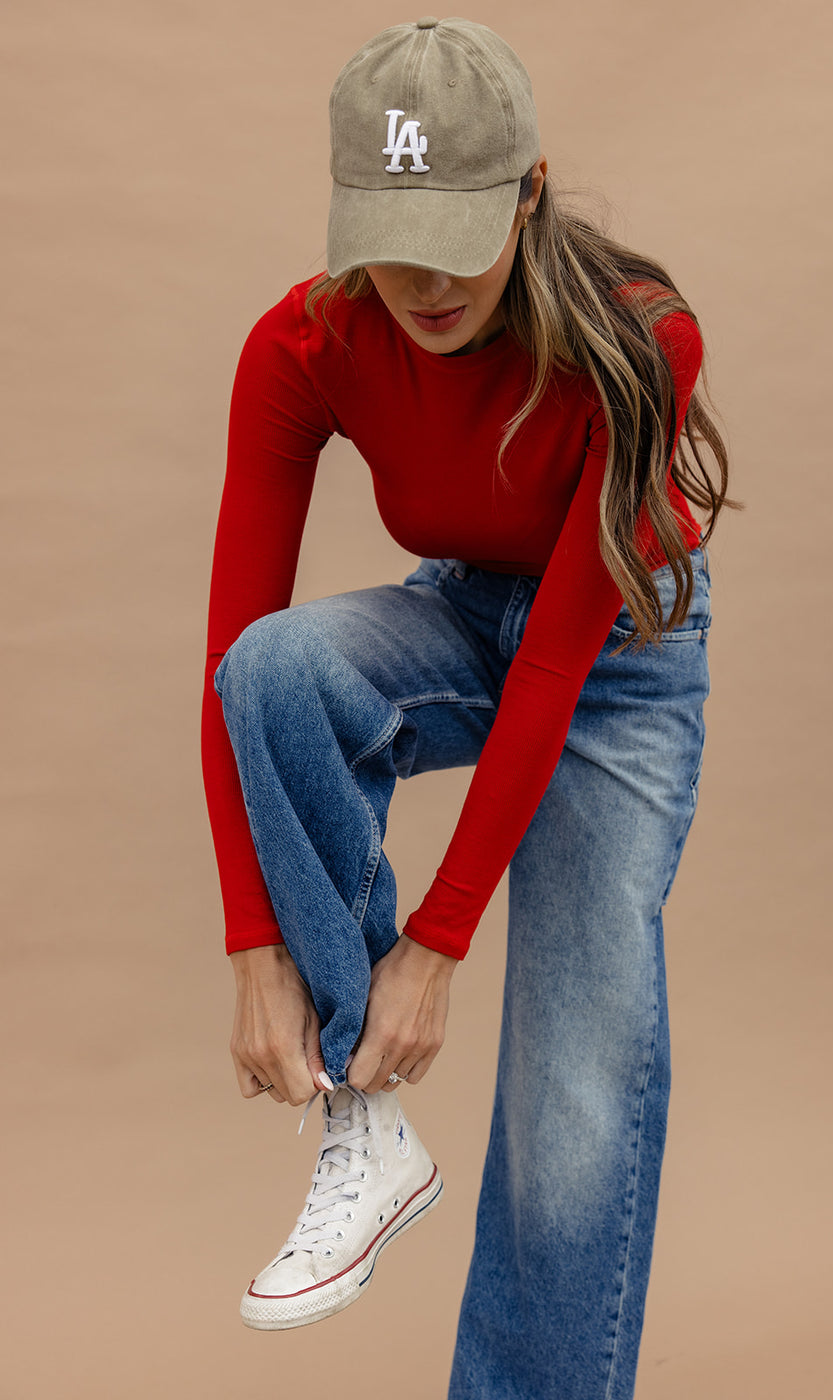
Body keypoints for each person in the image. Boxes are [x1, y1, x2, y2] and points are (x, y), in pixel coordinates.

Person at [202, 15, 733, 1398]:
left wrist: (434, 943)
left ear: (531, 188)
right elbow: (235, 655)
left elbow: (558, 665)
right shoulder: (306, 340)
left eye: (456, 227)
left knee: (575, 1081)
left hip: (614, 650)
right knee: (271, 671)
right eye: (387, 228)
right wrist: (255, 943)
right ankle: (361, 1126)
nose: (421, 277)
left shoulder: (637, 343)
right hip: (456, 609)